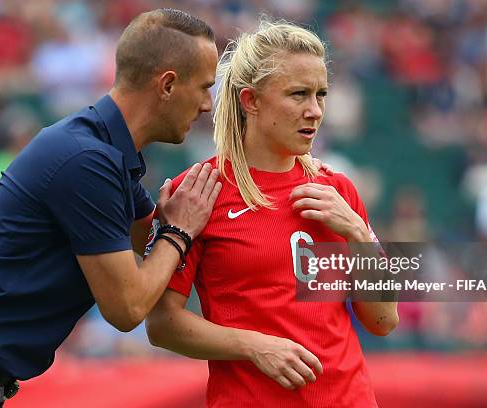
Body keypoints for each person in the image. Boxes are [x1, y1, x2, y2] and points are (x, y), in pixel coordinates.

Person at [0, 8, 222, 404]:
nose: (208, 105)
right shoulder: (87, 159)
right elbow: (128, 307)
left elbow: (151, 240)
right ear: (167, 85)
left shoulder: (106, 151)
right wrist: (178, 232)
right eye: (204, 87)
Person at [146, 21, 399, 407]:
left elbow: (383, 322)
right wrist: (253, 345)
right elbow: (162, 325)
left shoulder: (338, 190)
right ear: (251, 101)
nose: (314, 111)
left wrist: (358, 234)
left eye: (321, 94)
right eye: (298, 94)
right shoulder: (198, 191)